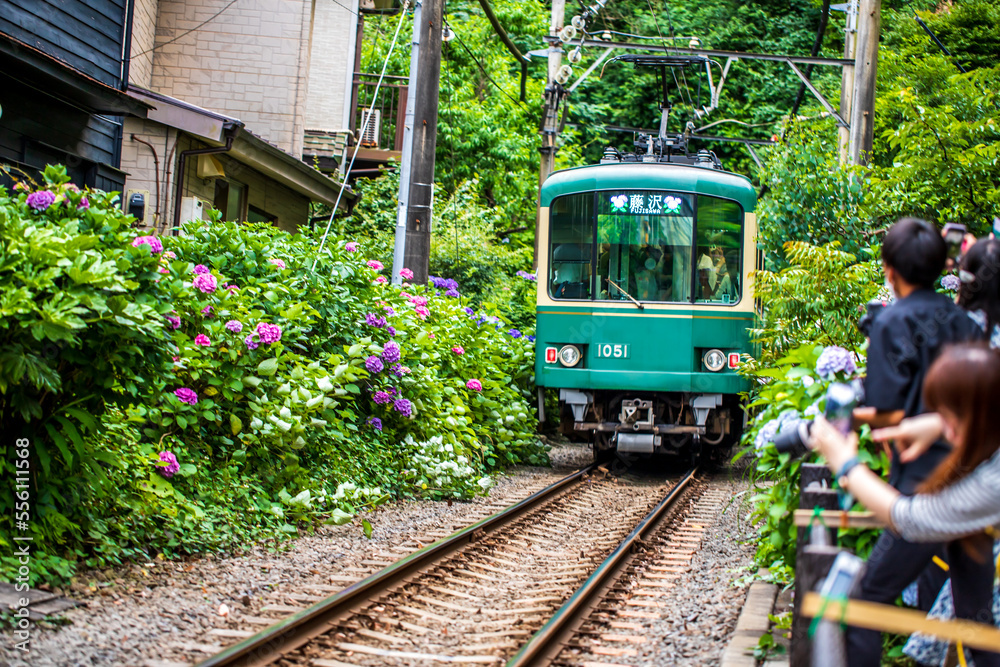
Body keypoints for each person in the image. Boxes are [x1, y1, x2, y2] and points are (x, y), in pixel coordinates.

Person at [846, 218, 984, 665]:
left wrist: (840, 417)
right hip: (976, 487)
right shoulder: (964, 321)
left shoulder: (891, 322)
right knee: (977, 617)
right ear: (943, 267)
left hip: (924, 487)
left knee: (865, 600)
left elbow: (888, 414)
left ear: (889, 270)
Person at [810, 343, 1000, 667]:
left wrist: (847, 465)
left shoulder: (992, 482)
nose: (947, 431)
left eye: (949, 416)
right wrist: (937, 424)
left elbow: (912, 519)